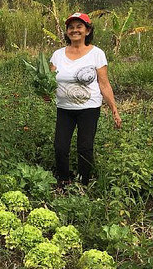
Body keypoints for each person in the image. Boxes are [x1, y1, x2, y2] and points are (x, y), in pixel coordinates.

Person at [49, 12, 121, 190]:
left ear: (87, 30)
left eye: (79, 27)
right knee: (60, 147)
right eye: (71, 27)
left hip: (89, 108)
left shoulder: (96, 54)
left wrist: (114, 109)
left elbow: (103, 84)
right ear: (66, 32)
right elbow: (49, 82)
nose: (75, 30)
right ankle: (63, 181)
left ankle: (83, 183)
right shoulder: (57, 55)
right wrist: (45, 92)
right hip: (64, 108)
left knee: (85, 147)